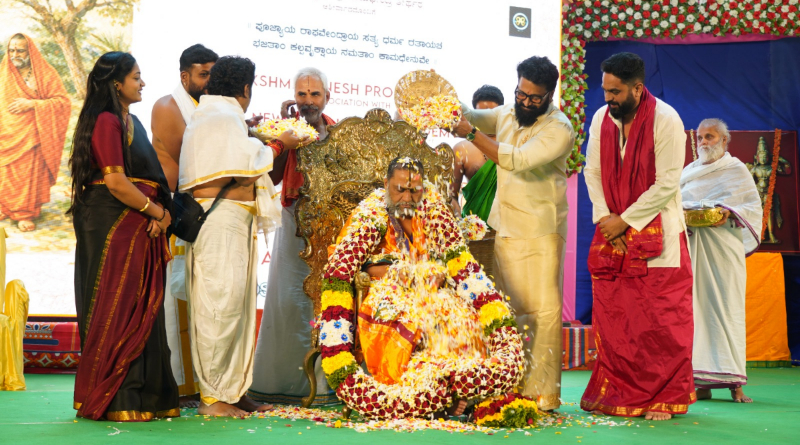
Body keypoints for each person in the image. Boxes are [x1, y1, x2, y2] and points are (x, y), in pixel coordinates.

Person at [321, 156, 522, 417]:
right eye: (399, 189)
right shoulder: (371, 212)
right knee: (415, 320)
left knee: (462, 318)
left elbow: (455, 261)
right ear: (386, 185)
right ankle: (425, 391)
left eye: (414, 190)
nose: (407, 197)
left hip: (434, 290)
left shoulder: (433, 210)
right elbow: (352, 266)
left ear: (423, 188)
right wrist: (406, 272)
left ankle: (455, 386)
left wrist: (435, 272)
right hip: (387, 291)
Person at [179, 56, 303, 417]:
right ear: (246, 87)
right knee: (219, 306)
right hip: (220, 224)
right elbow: (248, 165)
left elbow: (243, 163)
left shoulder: (223, 117)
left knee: (238, 307)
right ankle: (213, 398)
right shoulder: (219, 117)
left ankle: (233, 391)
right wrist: (280, 143)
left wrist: (261, 136)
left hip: (233, 222)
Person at [452, 56, 575, 411]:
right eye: (521, 93)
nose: (524, 102)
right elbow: (473, 116)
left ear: (549, 95)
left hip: (541, 231)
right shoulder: (508, 111)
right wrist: (443, 101)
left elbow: (517, 159)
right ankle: (508, 384)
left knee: (541, 312)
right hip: (505, 226)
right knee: (508, 309)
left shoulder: (559, 129)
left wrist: (472, 135)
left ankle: (541, 393)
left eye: (534, 98)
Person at [581, 52, 694, 421]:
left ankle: (664, 396)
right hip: (612, 230)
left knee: (661, 320)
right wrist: (605, 218)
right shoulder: (601, 119)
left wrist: (625, 221)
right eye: (605, 90)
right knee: (618, 317)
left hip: (657, 232)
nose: (608, 99)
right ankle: (621, 391)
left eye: (615, 92)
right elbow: (592, 172)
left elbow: (666, 183)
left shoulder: (666, 119)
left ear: (637, 88)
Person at [70, 52, 178, 421]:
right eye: (136, 76)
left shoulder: (131, 121)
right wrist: (156, 212)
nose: (142, 82)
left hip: (138, 222)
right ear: (117, 83)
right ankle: (119, 399)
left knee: (143, 310)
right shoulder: (105, 120)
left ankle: (150, 398)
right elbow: (115, 182)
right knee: (118, 307)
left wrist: (158, 214)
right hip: (114, 223)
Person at [249, 67, 337, 406]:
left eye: (314, 95)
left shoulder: (341, 132)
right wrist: (279, 138)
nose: (308, 101)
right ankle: (280, 384)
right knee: (286, 303)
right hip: (292, 218)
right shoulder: (283, 132)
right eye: (302, 95)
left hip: (329, 227)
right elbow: (268, 177)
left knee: (330, 302)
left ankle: (330, 385)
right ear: (293, 98)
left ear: (327, 97)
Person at [151, 43, 218, 408]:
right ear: (184, 76)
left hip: (204, 216)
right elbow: (194, 158)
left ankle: (201, 382)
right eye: (203, 74)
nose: (210, 82)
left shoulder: (208, 108)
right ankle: (179, 384)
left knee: (201, 300)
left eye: (213, 74)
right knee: (175, 302)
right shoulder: (168, 106)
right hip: (177, 214)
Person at [680, 118, 762, 403]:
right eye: (700, 138)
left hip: (723, 251)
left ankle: (735, 384)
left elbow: (751, 207)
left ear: (724, 141)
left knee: (725, 311)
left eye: (710, 137)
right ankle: (700, 382)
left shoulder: (735, 169)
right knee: (696, 313)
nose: (704, 142)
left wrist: (727, 211)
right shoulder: (688, 171)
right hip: (694, 249)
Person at [0, 33, 71, 232]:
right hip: (6, 132)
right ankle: (5, 206)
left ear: (29, 51)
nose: (15, 54)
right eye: (12, 50)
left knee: (26, 173)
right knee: (5, 172)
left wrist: (33, 104)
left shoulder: (45, 74)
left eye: (20, 50)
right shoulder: (3, 71)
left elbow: (62, 102)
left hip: (33, 134)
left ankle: (24, 213)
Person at [450, 85, 504, 220]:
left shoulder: (513, 144)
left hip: (510, 230)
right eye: (482, 115)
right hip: (475, 230)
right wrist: (460, 226)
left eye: (491, 115)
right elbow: (451, 196)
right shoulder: (461, 149)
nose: (487, 120)